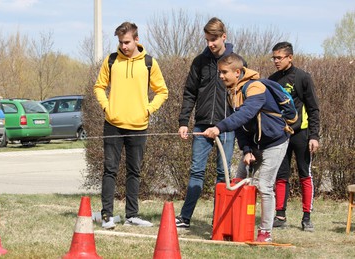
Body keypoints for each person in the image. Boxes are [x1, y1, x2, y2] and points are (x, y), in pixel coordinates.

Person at [201, 53, 296, 242]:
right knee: (238, 181)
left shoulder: (255, 87)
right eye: (220, 72)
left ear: (237, 72)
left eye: (224, 72)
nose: (221, 76)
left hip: (275, 141)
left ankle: (265, 233)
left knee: (264, 185)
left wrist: (218, 128)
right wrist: (246, 150)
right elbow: (241, 127)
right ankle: (235, 225)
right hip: (255, 145)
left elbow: (245, 114)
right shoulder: (233, 93)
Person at [93, 21, 168, 229]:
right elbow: (99, 87)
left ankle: (132, 215)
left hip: (138, 125)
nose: (123, 46)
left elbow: (162, 91)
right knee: (110, 170)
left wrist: (148, 109)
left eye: (127, 42)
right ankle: (106, 214)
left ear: (137, 39)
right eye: (120, 42)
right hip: (113, 124)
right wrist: (107, 107)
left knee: (134, 171)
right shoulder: (111, 61)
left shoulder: (149, 63)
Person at [175, 17, 240, 228]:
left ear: (224, 36)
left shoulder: (236, 62)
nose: (210, 44)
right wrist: (184, 121)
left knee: (223, 173)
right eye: (207, 40)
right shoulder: (199, 62)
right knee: (196, 171)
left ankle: (219, 220)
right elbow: (189, 93)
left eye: (214, 39)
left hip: (227, 126)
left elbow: (244, 96)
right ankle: (185, 218)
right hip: (202, 125)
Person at [268, 42, 320, 232]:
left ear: (290, 57)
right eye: (274, 57)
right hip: (281, 135)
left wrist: (314, 136)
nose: (276, 61)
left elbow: (313, 108)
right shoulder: (272, 80)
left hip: (302, 134)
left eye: (279, 57)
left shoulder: (303, 77)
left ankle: (306, 218)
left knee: (304, 174)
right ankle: (280, 215)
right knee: (281, 176)